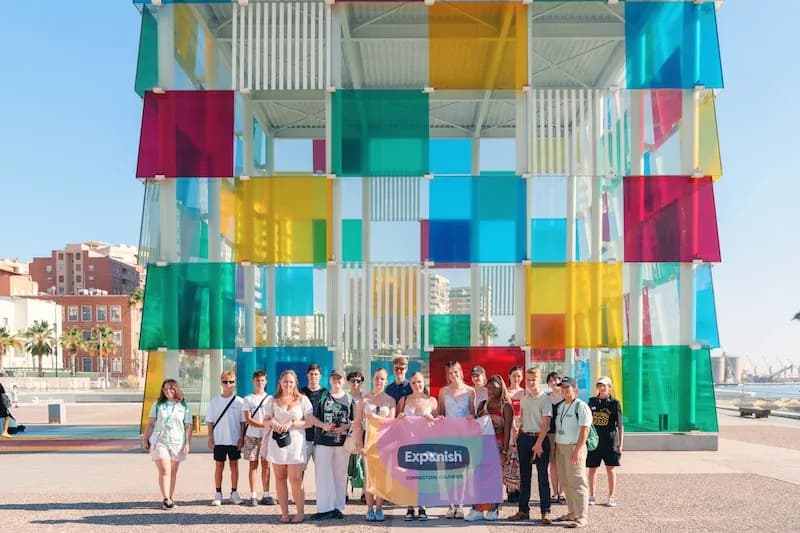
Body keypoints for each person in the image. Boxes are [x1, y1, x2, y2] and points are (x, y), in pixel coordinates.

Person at [264, 369, 313, 523]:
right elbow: (265, 420)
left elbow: (309, 422)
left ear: (295, 383)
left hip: (296, 445)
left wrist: (292, 423)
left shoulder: (303, 400)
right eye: (285, 381)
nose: (288, 384)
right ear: (280, 382)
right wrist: (272, 422)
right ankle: (284, 513)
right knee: (279, 478)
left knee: (296, 479)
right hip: (278, 444)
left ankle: (300, 512)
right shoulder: (272, 400)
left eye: (291, 381)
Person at [465, 374, 513, 522]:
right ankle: (477, 509)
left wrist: (504, 452)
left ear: (501, 388)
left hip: (498, 447)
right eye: (489, 387)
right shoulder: (482, 404)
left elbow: (507, 430)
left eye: (495, 388)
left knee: (494, 479)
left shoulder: (506, 406)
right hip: (482, 446)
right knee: (479, 478)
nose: (491, 390)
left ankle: (493, 509)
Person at [309, 369, 356, 520]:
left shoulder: (349, 399)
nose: (336, 381)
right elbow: (312, 417)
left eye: (339, 379)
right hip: (323, 441)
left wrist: (344, 427)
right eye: (334, 378)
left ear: (343, 381)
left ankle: (338, 507)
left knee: (340, 476)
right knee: (323, 475)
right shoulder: (323, 396)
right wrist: (323, 426)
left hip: (342, 443)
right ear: (329, 380)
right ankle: (324, 508)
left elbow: (355, 421)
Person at [508, 366, 553, 524]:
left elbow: (546, 423)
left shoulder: (545, 399)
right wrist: (517, 435)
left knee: (542, 477)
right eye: (529, 379)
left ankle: (545, 512)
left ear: (539, 380)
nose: (531, 382)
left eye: (534, 379)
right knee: (524, 478)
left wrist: (539, 443)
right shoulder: (524, 400)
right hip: (525, 439)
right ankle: (523, 510)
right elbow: (523, 420)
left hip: (540, 440)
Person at [141, 379, 193, 510]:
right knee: (165, 469)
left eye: (170, 389)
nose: (167, 391)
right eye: (165, 389)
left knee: (173, 471)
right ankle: (165, 498)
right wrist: (145, 438)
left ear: (176, 389)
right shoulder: (158, 405)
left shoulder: (184, 406)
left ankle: (170, 497)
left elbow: (188, 426)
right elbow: (151, 423)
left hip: (177, 442)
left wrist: (187, 443)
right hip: (160, 441)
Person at [354, 367, 396, 522]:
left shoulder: (391, 400)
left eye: (382, 379)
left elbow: (392, 422)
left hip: (384, 443)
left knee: (381, 477)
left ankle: (379, 508)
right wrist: (359, 444)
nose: (379, 381)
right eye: (377, 378)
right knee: (369, 477)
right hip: (368, 442)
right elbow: (358, 424)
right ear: (373, 379)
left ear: (386, 381)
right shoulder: (364, 400)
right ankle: (369, 508)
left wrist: (376, 418)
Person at [396, 371, 438, 521]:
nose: (417, 385)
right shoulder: (404, 400)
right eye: (413, 383)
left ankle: (422, 507)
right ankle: (409, 507)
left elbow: (439, 424)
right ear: (410, 384)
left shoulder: (432, 401)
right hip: (407, 443)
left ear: (423, 382)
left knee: (423, 477)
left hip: (426, 444)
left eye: (419, 382)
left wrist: (432, 419)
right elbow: (395, 422)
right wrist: (399, 418)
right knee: (409, 476)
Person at [553, 376, 593, 529]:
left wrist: (577, 451)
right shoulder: (562, 406)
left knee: (577, 482)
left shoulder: (581, 406)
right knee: (565, 481)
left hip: (574, 447)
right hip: (561, 447)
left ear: (574, 389)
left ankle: (582, 516)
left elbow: (585, 430)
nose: (564, 390)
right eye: (562, 387)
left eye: (567, 387)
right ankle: (572, 512)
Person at [438, 361, 476, 519]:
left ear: (461, 372)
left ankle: (460, 505)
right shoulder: (443, 391)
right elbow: (441, 412)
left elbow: (473, 413)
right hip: (447, 435)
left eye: (455, 372)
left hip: (464, 435)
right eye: (450, 373)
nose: (453, 376)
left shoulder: (470, 391)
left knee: (462, 472)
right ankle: (450, 505)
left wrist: (471, 417)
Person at [205, 370, 245, 506]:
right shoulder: (214, 401)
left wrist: (242, 438)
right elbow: (210, 421)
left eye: (231, 382)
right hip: (219, 439)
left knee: (234, 465)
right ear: (221, 383)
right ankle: (218, 492)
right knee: (219, 466)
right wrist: (210, 437)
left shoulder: (240, 402)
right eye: (225, 382)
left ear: (235, 383)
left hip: (234, 439)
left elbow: (243, 422)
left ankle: (234, 492)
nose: (228, 384)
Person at [587, 376, 623, 508]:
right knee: (592, 469)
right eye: (599, 385)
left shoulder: (615, 403)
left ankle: (611, 496)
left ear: (609, 387)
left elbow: (620, 425)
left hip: (610, 440)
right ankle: (591, 495)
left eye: (604, 385)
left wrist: (621, 444)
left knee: (610, 469)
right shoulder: (591, 401)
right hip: (594, 441)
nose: (602, 388)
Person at [241, 370, 275, 506]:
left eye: (262, 380)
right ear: (253, 381)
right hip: (252, 435)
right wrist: (263, 426)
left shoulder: (270, 399)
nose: (260, 383)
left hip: (267, 436)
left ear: (266, 382)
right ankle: (253, 494)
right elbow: (248, 419)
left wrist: (267, 427)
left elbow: (273, 416)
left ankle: (266, 494)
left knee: (266, 465)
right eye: (257, 380)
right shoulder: (248, 399)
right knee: (253, 464)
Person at [300, 364, 327, 471]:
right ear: (307, 375)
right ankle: (299, 489)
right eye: (311, 374)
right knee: (299, 470)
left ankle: (321, 489)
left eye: (316, 374)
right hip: (303, 438)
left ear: (320, 376)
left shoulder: (326, 393)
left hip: (320, 439)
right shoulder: (300, 393)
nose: (313, 376)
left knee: (321, 471)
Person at [506, 365, 525, 504]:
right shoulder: (506, 392)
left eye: (519, 376)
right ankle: (510, 490)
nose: (516, 379)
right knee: (509, 458)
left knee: (520, 459)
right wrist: (512, 426)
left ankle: (519, 488)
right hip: (509, 427)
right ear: (509, 377)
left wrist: (520, 426)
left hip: (522, 427)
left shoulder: (524, 393)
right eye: (514, 376)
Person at [546, 371, 565, 504]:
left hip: (564, 435)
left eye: (556, 380)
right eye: (550, 380)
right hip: (550, 434)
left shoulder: (566, 398)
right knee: (552, 464)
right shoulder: (546, 398)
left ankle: (562, 492)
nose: (553, 383)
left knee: (563, 464)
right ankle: (555, 492)